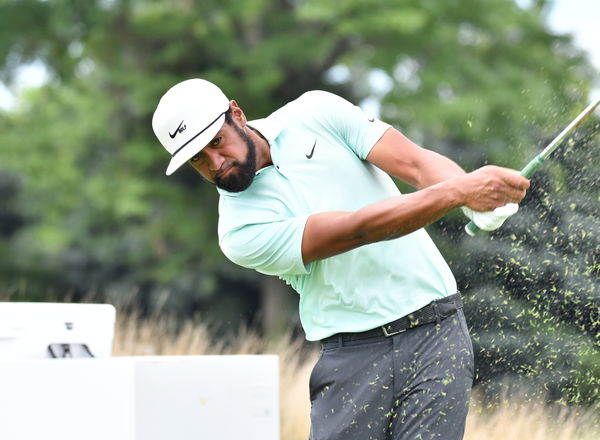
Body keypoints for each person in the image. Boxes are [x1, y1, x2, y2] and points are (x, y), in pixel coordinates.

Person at [152, 78, 530, 440]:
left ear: (237, 114)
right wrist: (459, 192)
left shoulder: (317, 112)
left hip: (435, 332)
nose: (216, 164)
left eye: (217, 142)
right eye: (198, 160)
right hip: (353, 359)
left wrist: (473, 196)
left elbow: (415, 164)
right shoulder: (239, 231)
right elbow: (356, 230)